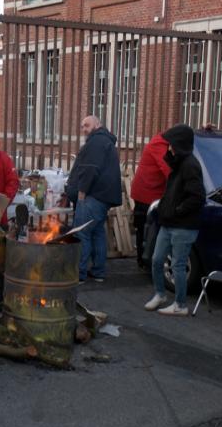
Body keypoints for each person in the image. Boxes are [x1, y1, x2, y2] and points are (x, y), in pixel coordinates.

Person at [145, 124, 205, 316]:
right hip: (168, 222)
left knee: (178, 265)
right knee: (156, 260)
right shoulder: (179, 162)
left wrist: (178, 211)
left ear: (179, 144)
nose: (168, 147)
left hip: (183, 225)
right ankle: (160, 294)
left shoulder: (190, 165)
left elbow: (197, 197)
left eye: (170, 144)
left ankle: (180, 304)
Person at [65, 116, 122, 283]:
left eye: (87, 125)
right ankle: (98, 272)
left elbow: (90, 169)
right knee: (97, 233)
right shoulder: (104, 141)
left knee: (81, 233)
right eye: (82, 126)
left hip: (93, 196)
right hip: (102, 197)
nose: (84, 129)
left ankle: (79, 274)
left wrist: (82, 191)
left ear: (98, 124)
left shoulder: (96, 142)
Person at [130, 131, 171, 268]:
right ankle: (143, 260)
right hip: (146, 195)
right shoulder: (159, 145)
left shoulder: (168, 143)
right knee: (145, 227)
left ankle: (146, 258)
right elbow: (168, 170)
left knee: (148, 227)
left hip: (155, 193)